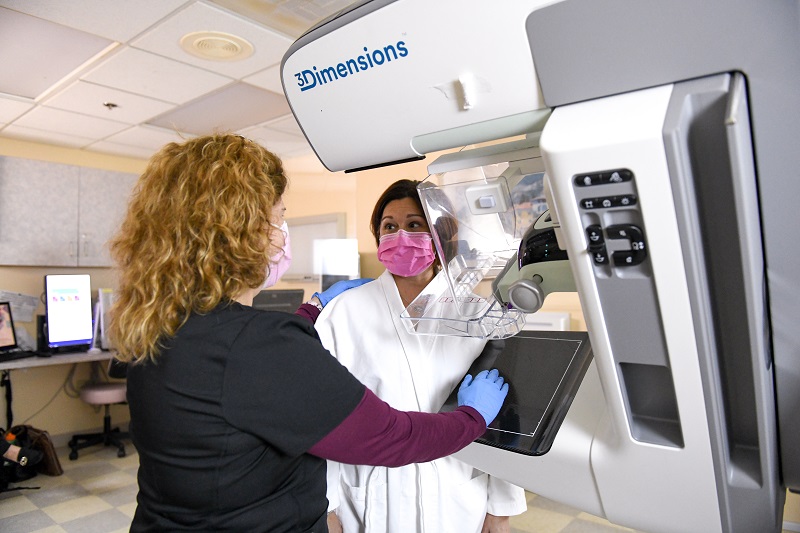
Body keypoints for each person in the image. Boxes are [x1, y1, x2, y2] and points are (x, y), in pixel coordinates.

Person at [107, 134, 511, 532]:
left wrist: (309, 311)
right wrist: (471, 417)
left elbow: (249, 369)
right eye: (278, 216)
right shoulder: (292, 332)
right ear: (240, 231)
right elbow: (388, 435)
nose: (283, 231)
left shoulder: (159, 327)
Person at [315, 179, 527, 533]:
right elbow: (321, 417)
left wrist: (500, 508)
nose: (400, 235)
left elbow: (505, 418)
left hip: (456, 493)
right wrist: (326, 507)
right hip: (369, 498)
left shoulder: (480, 315)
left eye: (414, 225)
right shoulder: (343, 313)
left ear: (441, 234)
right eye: (389, 226)